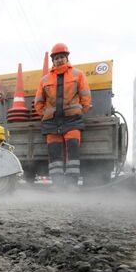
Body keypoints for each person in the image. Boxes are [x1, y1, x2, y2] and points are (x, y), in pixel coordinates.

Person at [34, 43, 91, 189]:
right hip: (51, 122)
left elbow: (85, 95)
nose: (59, 60)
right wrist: (44, 114)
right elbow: (39, 101)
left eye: (62, 57)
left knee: (73, 152)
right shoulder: (45, 79)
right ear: (53, 60)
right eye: (56, 58)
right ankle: (58, 185)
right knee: (54, 156)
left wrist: (81, 110)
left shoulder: (78, 74)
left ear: (67, 58)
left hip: (72, 120)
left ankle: (71, 184)